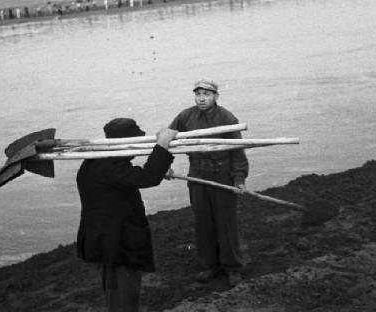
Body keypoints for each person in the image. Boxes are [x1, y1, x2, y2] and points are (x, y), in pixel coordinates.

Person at [76, 118, 177, 311]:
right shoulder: (112, 167)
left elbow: (129, 177)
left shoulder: (95, 160)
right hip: (118, 244)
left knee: (116, 294)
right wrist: (162, 145)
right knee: (124, 296)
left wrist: (160, 167)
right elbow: (148, 177)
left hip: (106, 240)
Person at [168, 79, 249, 286]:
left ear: (216, 96)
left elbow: (237, 151)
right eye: (198, 94)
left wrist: (239, 178)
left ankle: (232, 267)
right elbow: (166, 138)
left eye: (207, 94)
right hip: (197, 173)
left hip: (222, 173)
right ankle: (210, 266)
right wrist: (164, 166)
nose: (202, 98)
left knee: (226, 222)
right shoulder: (185, 116)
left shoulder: (227, 117)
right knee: (203, 222)